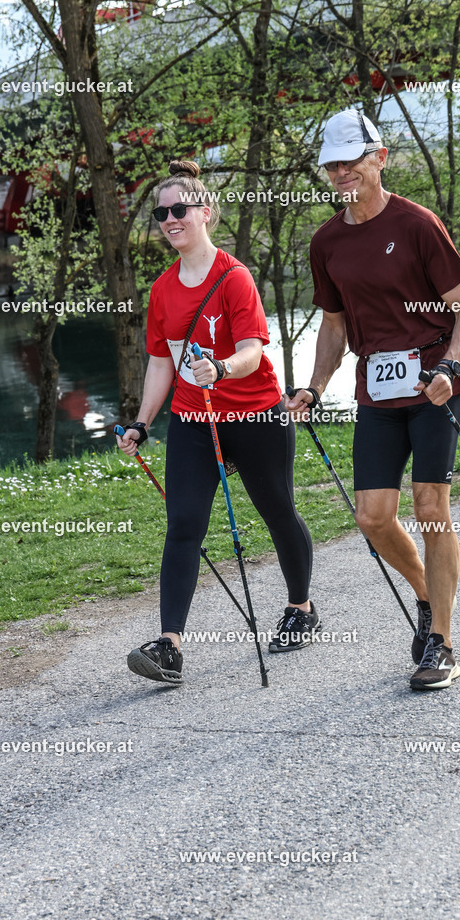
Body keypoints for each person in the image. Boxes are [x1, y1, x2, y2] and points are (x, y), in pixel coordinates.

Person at [286, 109, 460, 691]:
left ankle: (441, 644)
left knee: (430, 507)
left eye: (353, 162)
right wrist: (315, 387)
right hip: (376, 389)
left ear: (380, 159)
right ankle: (427, 595)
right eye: (333, 166)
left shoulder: (418, 223)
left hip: (432, 383)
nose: (343, 173)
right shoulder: (327, 242)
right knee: (372, 516)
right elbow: (333, 325)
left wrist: (452, 365)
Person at [117, 159, 319, 684]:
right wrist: (141, 423)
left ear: (206, 212)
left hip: (254, 414)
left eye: (178, 209)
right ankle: (169, 647)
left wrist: (222, 367)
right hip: (193, 420)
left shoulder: (234, 278)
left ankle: (301, 608)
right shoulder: (161, 290)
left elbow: (252, 351)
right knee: (183, 524)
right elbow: (162, 363)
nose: (168, 219)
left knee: (277, 510)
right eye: (161, 213)